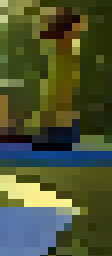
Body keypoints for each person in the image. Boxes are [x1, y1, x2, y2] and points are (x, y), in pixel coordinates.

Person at [35, 8, 87, 151]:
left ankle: (55, 136)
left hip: (60, 119)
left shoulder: (66, 52)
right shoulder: (62, 52)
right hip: (58, 119)